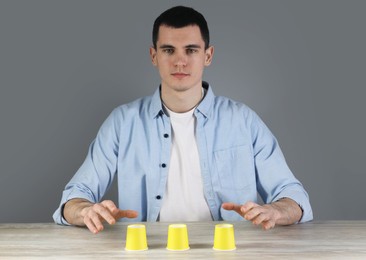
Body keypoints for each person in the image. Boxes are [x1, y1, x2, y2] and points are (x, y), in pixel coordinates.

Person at [53, 6, 313, 234]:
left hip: (230, 252)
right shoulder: (122, 122)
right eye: (168, 50)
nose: (180, 61)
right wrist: (85, 211)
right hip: (146, 253)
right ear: (154, 56)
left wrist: (277, 211)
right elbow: (73, 199)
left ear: (208, 56)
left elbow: (294, 196)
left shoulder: (244, 120)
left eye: (191, 50)